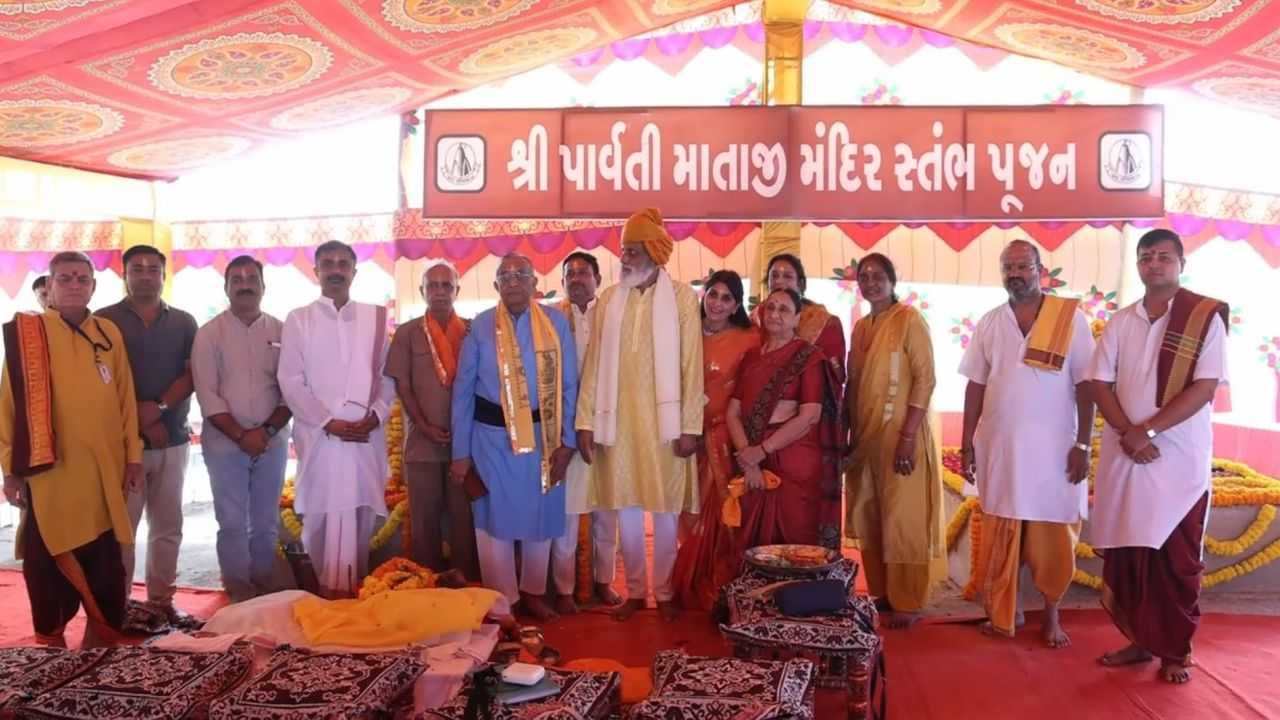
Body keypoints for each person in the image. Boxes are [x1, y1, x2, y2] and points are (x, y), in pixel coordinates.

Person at [1091, 229, 1228, 685]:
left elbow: (1205, 387)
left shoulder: (1204, 317)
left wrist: (1146, 430)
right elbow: (1098, 383)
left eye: (1164, 257)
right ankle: (1139, 640)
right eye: (1146, 257)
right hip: (1125, 455)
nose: (1155, 264)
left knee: (1175, 557)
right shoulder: (1121, 320)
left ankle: (1175, 649)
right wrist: (1128, 434)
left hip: (1178, 461)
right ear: (1138, 265)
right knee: (1133, 553)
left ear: (1181, 263)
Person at [959, 240, 1096, 647]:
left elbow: (1087, 384)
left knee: (1052, 530)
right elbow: (975, 384)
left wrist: (1083, 444)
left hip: (1056, 450)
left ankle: (1052, 615)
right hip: (1000, 446)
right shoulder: (989, 321)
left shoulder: (1070, 319)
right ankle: (1007, 609)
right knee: (1004, 524)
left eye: (1023, 266)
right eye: (1008, 267)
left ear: (1041, 270)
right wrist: (967, 441)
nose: (1015, 274)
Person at [1, 251, 141, 647]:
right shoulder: (29, 334)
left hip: (103, 473)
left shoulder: (108, 333)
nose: (74, 285)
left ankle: (101, 644)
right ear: (49, 287)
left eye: (82, 278)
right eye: (65, 278)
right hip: (51, 476)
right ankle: (51, 645)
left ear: (94, 286)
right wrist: (9, 470)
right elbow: (8, 407)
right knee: (47, 571)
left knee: (104, 564)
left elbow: (125, 398)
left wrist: (133, 457)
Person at [577, 208, 703, 623]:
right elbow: (594, 364)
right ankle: (633, 591)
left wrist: (689, 427)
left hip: (665, 428)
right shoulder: (610, 299)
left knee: (665, 513)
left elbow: (691, 365)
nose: (625, 258)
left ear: (654, 252)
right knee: (626, 512)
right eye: (623, 250)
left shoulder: (683, 298)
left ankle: (664, 593)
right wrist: (586, 422)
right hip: (619, 424)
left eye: (633, 250)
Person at [450, 253, 578, 622]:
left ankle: (534, 593)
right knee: (493, 522)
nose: (512, 281)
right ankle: (503, 600)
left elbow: (569, 384)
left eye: (520, 274)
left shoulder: (556, 324)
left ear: (535, 283)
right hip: (491, 440)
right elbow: (463, 389)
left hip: (544, 438)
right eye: (504, 276)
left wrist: (566, 443)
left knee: (541, 516)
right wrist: (460, 453)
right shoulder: (481, 325)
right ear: (495, 286)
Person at [278, 241, 394, 598]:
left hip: (364, 435)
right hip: (321, 436)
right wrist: (327, 420)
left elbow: (387, 376)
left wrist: (375, 416)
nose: (335, 270)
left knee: (359, 509)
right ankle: (325, 589)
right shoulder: (299, 319)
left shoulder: (374, 317)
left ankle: (354, 584)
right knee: (321, 511)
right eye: (327, 264)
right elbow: (290, 379)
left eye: (343, 263)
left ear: (354, 272)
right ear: (316, 272)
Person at [97, 244, 197, 621]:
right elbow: (98, 381)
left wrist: (157, 411)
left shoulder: (184, 322)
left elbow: (190, 375)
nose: (145, 275)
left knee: (168, 524)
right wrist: (136, 423)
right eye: (136, 268)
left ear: (163, 275)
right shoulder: (104, 321)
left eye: (152, 269)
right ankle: (117, 605)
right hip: (122, 447)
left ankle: (161, 601)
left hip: (172, 439)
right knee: (123, 527)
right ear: (124, 275)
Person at [845, 253, 943, 629]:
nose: (871, 282)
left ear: (892, 279)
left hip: (902, 436)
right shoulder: (861, 328)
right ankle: (883, 593)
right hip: (867, 438)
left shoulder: (909, 320)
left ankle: (908, 600)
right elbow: (854, 385)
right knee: (871, 513)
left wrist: (906, 437)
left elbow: (925, 379)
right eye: (864, 276)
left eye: (878, 275)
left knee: (903, 517)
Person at [191, 255, 292, 603]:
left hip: (271, 441)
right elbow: (207, 393)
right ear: (226, 287)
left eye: (252, 278)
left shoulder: (282, 331)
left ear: (264, 286)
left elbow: (291, 388)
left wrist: (264, 433)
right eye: (237, 279)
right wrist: (242, 435)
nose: (245, 284)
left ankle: (264, 584)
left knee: (265, 522)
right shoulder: (209, 334)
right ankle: (237, 589)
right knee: (232, 521)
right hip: (224, 443)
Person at [385, 260, 480, 582]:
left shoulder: (472, 331)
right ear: (423, 290)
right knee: (424, 520)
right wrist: (424, 426)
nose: (440, 292)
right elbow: (403, 385)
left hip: (463, 445)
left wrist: (464, 431)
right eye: (433, 286)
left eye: (446, 285)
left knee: (463, 518)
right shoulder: (407, 333)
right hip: (422, 443)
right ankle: (427, 583)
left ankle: (466, 582)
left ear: (456, 290)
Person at [671, 270, 760, 611]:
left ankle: (720, 586)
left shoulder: (749, 338)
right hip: (686, 437)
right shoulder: (685, 333)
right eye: (713, 295)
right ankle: (692, 582)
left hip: (725, 438)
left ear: (736, 304)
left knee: (725, 510)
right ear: (703, 296)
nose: (718, 303)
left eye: (726, 298)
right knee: (688, 510)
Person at [726, 288, 838, 554]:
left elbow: (810, 416)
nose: (775, 314)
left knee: (792, 546)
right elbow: (733, 412)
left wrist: (760, 451)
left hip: (793, 461)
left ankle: (793, 596)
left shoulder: (808, 358)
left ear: (798, 318)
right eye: (770, 307)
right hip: (752, 459)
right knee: (753, 545)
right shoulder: (752, 357)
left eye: (784, 309)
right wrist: (748, 457)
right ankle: (756, 596)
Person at [547, 252, 621, 613]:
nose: (576, 279)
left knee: (608, 511)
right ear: (563, 282)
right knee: (567, 513)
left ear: (597, 279)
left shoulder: (613, 315)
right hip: (567, 428)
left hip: (609, 426)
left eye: (583, 273)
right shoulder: (550, 318)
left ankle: (604, 582)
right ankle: (564, 589)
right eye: (570, 273)